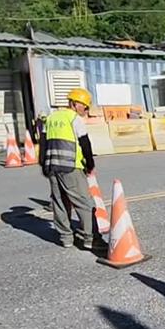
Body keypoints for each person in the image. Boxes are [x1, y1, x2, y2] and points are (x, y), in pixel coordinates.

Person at [40, 87, 106, 251]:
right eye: (84, 106)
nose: (86, 110)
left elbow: (42, 144)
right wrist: (90, 165)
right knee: (84, 203)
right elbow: (85, 144)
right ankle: (90, 239)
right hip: (71, 167)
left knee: (60, 202)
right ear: (75, 104)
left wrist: (43, 164)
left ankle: (66, 238)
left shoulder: (51, 118)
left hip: (52, 167)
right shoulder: (74, 119)